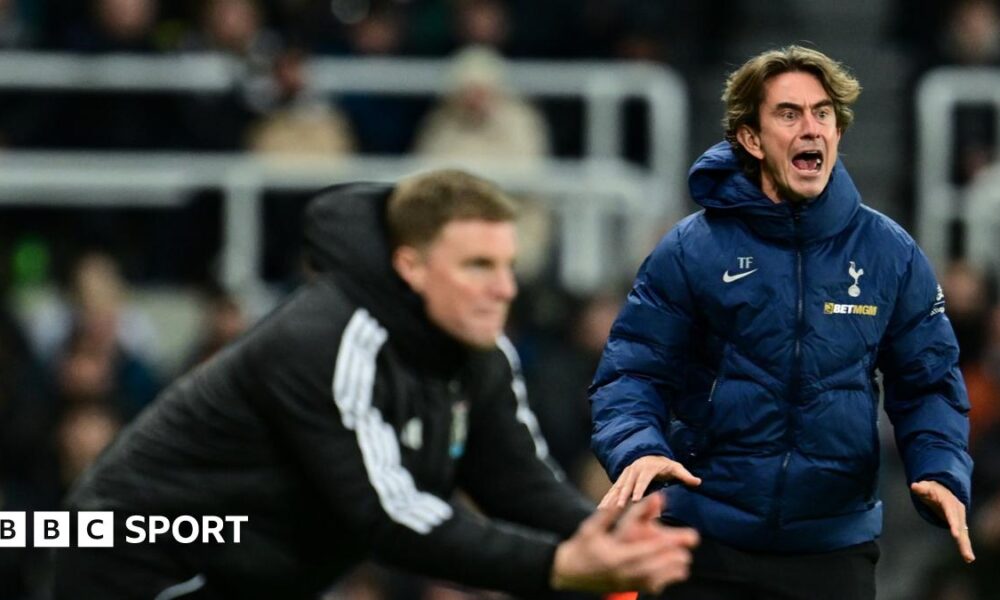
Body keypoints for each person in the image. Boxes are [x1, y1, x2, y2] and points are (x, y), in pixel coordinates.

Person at [52, 169, 698, 599]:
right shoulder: (330, 340)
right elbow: (388, 513)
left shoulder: (478, 351)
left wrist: (605, 534)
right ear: (411, 265)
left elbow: (515, 483)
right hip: (145, 558)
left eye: (507, 264)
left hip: (247, 569)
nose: (504, 288)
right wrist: (558, 568)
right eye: (477, 265)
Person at [589, 45, 974, 600]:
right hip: (702, 536)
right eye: (789, 114)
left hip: (832, 545)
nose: (810, 128)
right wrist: (639, 446)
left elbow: (930, 382)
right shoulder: (691, 249)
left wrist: (940, 468)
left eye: (823, 113)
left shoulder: (891, 252)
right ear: (751, 138)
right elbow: (632, 371)